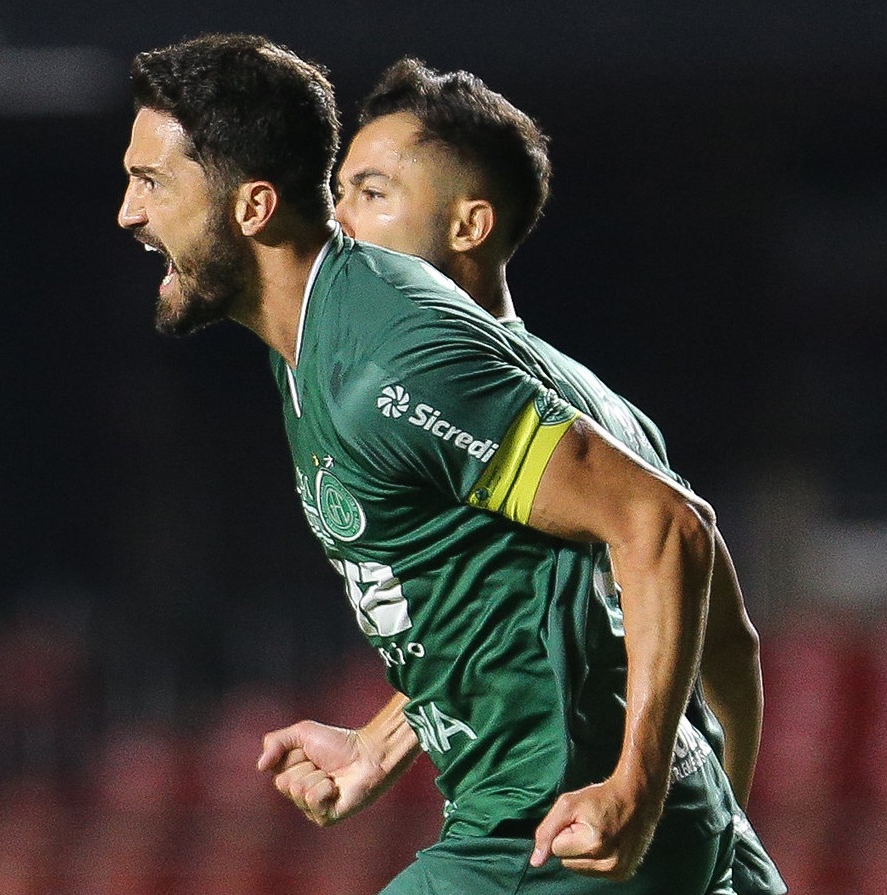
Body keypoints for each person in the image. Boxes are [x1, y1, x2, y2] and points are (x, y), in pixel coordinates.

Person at [119, 35, 752, 893]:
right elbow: (506, 591)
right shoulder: (319, 339)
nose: (128, 211)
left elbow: (668, 526)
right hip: (565, 816)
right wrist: (378, 743)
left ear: (252, 207)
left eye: (151, 182)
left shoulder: (389, 358)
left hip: (542, 825)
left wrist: (638, 791)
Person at [315, 59, 785, 895]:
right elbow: (723, 640)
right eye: (338, 191)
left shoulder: (437, 392)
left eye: (371, 192)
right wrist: (718, 820)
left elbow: (678, 540)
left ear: (469, 225)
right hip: (685, 834)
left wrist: (642, 798)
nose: (339, 221)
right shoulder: (607, 410)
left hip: (557, 833)